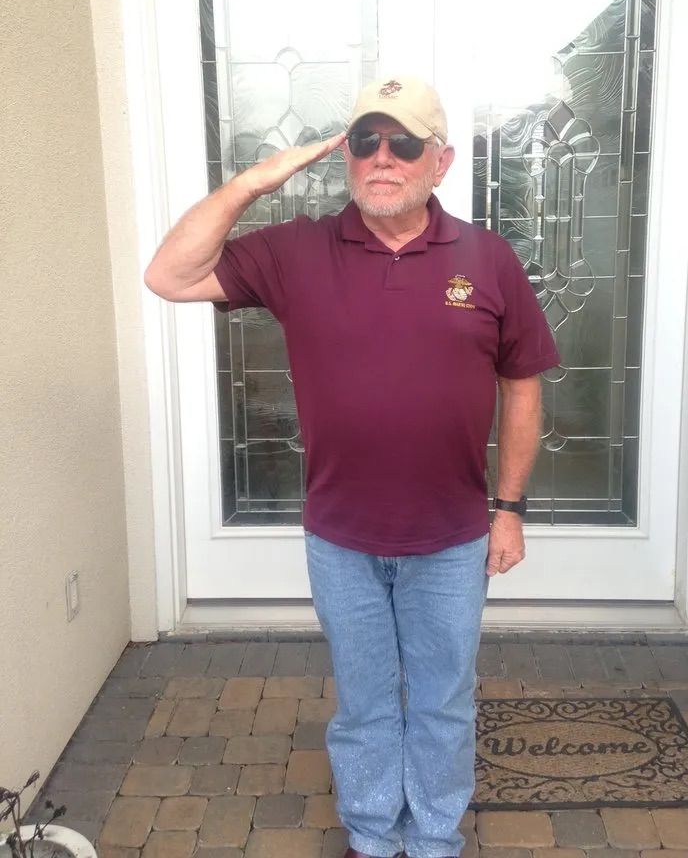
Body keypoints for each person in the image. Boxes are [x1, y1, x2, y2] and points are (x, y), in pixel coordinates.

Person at [144, 75, 560, 858]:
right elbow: (169, 275)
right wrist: (255, 182)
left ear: (439, 161)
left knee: (442, 704)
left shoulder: (488, 258)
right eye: (366, 141)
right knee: (365, 704)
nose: (383, 157)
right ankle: (371, 837)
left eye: (404, 142)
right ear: (347, 156)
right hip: (341, 537)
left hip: (452, 537)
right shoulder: (297, 251)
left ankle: (432, 839)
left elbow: (522, 386)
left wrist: (509, 509)